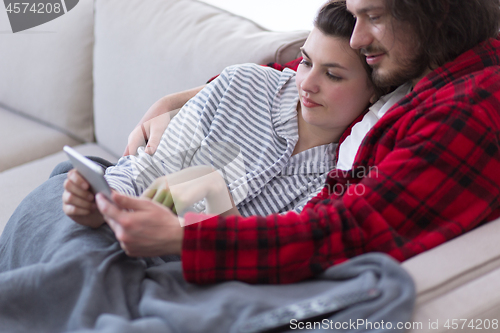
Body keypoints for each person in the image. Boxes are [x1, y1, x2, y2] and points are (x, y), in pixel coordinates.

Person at [89, 0, 500, 286]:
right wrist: (184, 97)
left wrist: (185, 239)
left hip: (275, 268)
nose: (358, 38)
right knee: (69, 215)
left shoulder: (467, 112)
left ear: (431, 12)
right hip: (196, 235)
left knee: (84, 262)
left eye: (372, 16)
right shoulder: (414, 63)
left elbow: (347, 233)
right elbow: (310, 67)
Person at [63, 2, 376, 228]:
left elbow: (266, 257)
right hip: (117, 220)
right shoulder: (243, 87)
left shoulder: (339, 177)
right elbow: (143, 170)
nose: (306, 84)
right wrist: (100, 204)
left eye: (332, 75)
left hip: (181, 269)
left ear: (374, 90)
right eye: (305, 62)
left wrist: (215, 203)